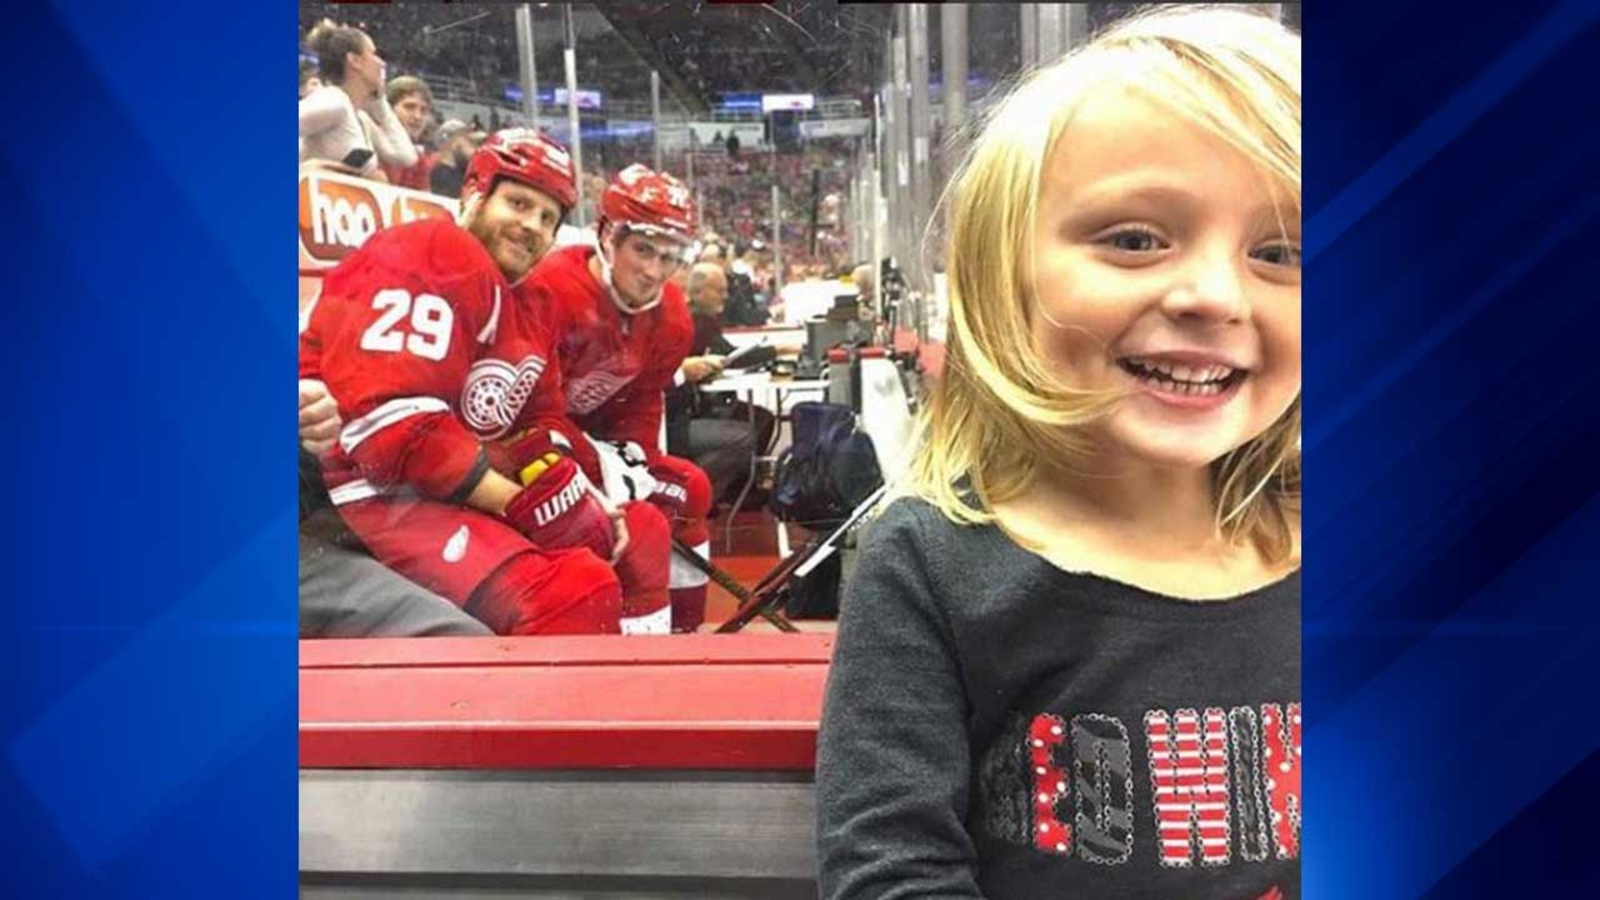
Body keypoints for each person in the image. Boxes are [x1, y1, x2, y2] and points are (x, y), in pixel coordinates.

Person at [817, 8, 1301, 900]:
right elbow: (893, 869)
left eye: (1281, 252)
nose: (1213, 294)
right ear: (1003, 273)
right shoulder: (932, 562)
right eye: (1134, 238)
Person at [299, 130, 675, 636]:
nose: (531, 227)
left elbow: (538, 419)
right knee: (569, 593)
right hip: (361, 488)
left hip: (434, 488)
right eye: (518, 203)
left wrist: (581, 491)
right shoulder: (433, 248)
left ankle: (652, 691)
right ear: (475, 193)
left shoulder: (531, 301)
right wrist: (516, 501)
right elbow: (394, 426)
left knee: (640, 532)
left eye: (547, 218)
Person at [517, 164, 717, 633]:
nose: (654, 272)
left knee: (691, 489)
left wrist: (638, 460)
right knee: (643, 529)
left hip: (587, 441)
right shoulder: (550, 291)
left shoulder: (672, 319)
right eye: (643, 249)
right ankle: (642, 672)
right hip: (528, 443)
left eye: (669, 257)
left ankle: (689, 636)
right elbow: (531, 407)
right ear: (607, 236)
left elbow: (641, 402)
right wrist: (600, 469)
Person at [299, 20, 417, 180]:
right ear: (355, 61)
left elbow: (406, 157)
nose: (382, 63)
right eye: (374, 54)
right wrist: (302, 169)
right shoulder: (334, 100)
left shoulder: (361, 117)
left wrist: (380, 102)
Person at [379, 75, 437, 191]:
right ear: (388, 109)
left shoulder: (418, 160)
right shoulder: (369, 141)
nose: (417, 116)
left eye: (423, 110)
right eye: (409, 107)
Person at [428, 120, 478, 199]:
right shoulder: (444, 176)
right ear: (455, 142)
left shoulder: (459, 171)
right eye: (469, 141)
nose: (474, 148)